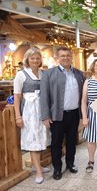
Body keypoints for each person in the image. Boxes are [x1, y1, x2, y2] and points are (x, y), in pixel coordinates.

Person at [40, 47, 85, 180]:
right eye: (62, 56)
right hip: (57, 116)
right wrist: (45, 116)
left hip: (74, 114)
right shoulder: (48, 74)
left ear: (71, 57)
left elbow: (83, 95)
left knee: (72, 141)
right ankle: (57, 168)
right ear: (57, 58)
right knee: (56, 143)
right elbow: (44, 97)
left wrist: (83, 115)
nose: (65, 58)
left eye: (67, 55)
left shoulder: (78, 73)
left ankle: (70, 163)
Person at [13, 47, 49, 184]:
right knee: (33, 138)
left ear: (40, 60)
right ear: (27, 59)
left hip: (41, 109)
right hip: (29, 110)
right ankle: (38, 172)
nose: (35, 60)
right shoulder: (21, 74)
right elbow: (16, 97)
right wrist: (18, 116)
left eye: (37, 58)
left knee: (40, 137)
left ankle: (36, 165)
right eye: (32, 58)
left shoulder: (43, 73)